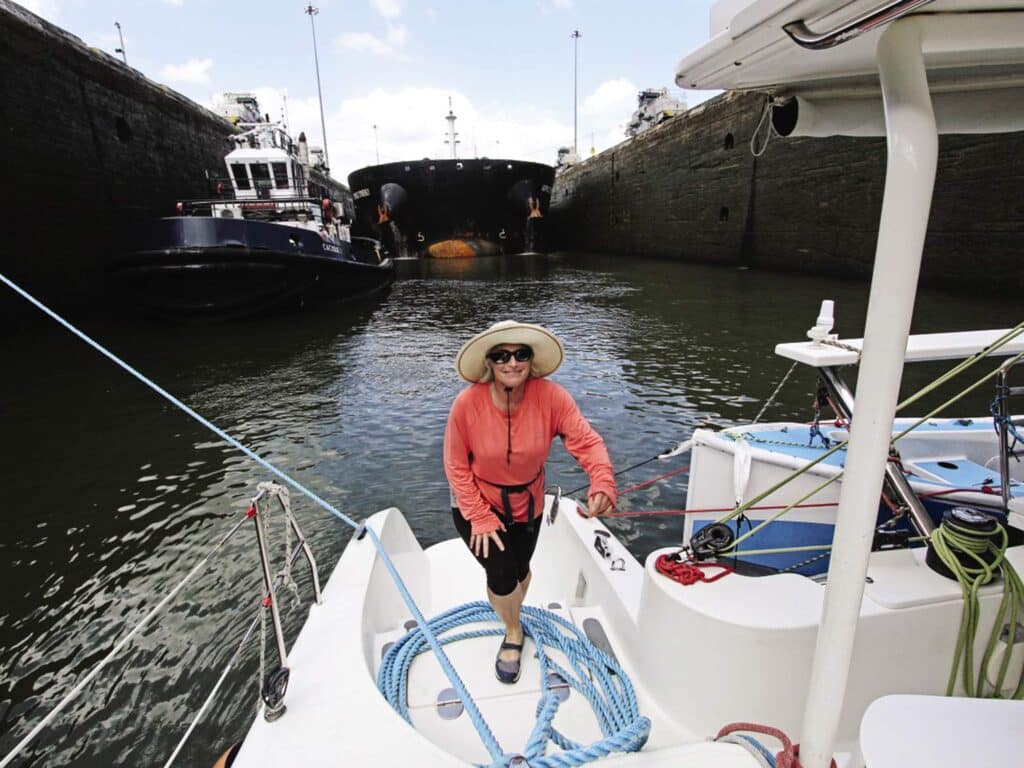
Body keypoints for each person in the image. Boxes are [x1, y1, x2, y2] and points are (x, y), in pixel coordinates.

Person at [444, 320, 616, 684]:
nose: (512, 363)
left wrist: (601, 479)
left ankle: (510, 612)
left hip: (528, 503)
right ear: (488, 363)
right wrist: (479, 515)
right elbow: (455, 464)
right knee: (502, 573)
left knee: (521, 572)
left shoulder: (552, 397)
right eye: (501, 355)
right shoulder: (466, 404)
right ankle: (512, 631)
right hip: (476, 503)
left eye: (520, 354)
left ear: (530, 359)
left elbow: (587, 442)